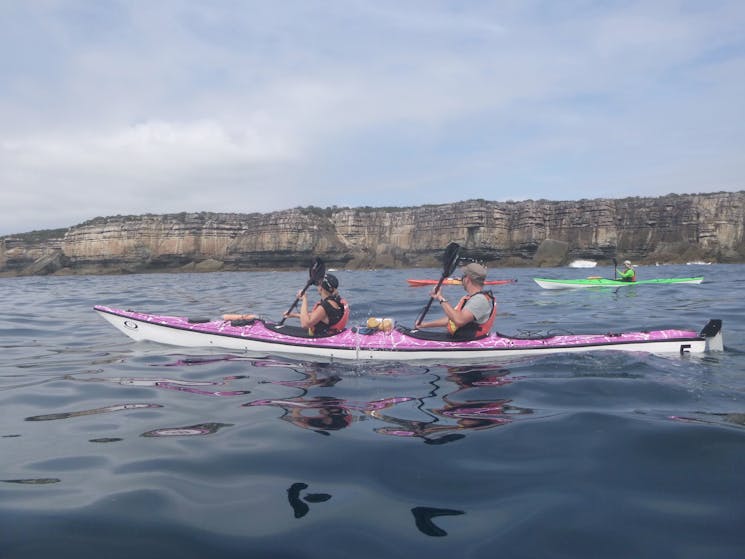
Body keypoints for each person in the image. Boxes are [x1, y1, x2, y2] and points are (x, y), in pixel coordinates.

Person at [415, 262, 496, 339]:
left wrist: (440, 298)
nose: (461, 278)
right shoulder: (471, 298)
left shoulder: (479, 300)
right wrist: (425, 325)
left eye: (463, 276)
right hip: (460, 339)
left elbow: (459, 320)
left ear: (467, 279)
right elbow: (452, 319)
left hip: (467, 342)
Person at [284, 273, 350, 335]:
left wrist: (304, 300)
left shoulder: (325, 306)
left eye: (318, 285)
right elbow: (316, 316)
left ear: (321, 288)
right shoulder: (336, 302)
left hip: (321, 339)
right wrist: (294, 315)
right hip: (329, 335)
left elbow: (305, 324)